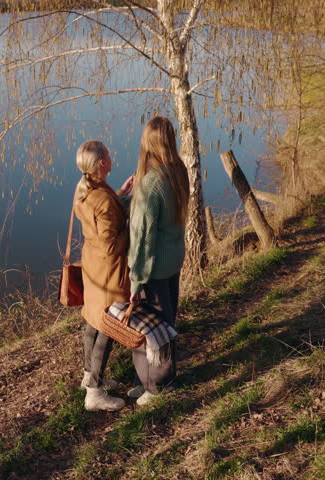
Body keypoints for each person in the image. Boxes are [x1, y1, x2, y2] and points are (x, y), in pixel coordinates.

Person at [127, 116, 190, 407]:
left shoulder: (152, 183)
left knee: (151, 328)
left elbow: (142, 237)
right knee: (166, 322)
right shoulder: (178, 171)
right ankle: (159, 380)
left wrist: (136, 278)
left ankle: (157, 388)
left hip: (153, 268)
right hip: (173, 260)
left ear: (148, 143)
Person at [73, 140, 134, 412]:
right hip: (108, 272)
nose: (111, 156)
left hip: (93, 265)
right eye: (108, 155)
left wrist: (122, 193)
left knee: (94, 320)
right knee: (108, 326)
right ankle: (95, 393)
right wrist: (133, 227)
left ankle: (89, 376)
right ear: (101, 163)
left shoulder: (85, 186)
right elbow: (111, 244)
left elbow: (101, 219)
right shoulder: (102, 198)